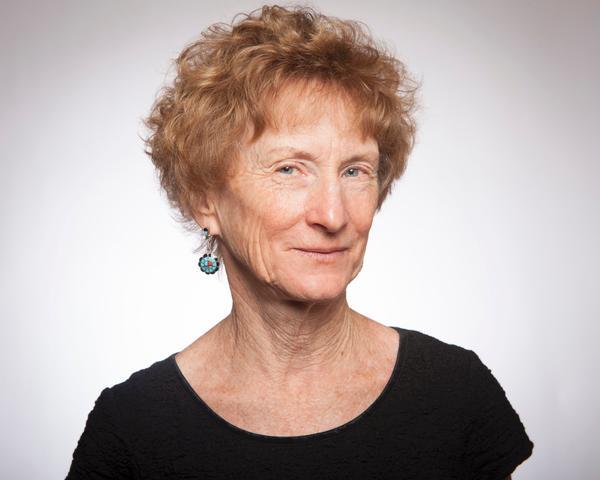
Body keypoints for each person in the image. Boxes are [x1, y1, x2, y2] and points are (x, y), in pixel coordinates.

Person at [66, 4, 533, 479]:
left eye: (355, 171)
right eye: (289, 169)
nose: (333, 215)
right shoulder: (133, 427)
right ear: (205, 201)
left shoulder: (454, 392)